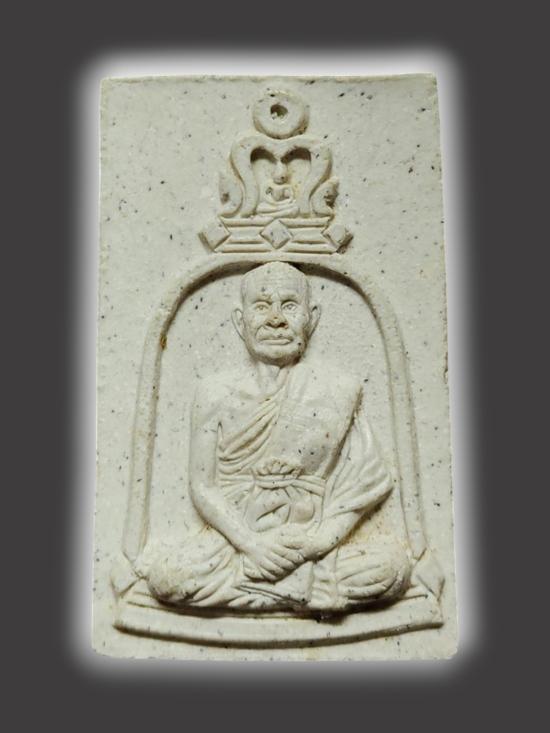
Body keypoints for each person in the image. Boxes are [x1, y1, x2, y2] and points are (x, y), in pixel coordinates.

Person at [140, 262, 410, 611]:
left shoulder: (339, 390)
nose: (276, 319)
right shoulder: (214, 392)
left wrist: (317, 543)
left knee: (392, 569)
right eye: (262, 306)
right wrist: (252, 545)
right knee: (167, 577)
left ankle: (270, 588)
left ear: (312, 318)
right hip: (235, 539)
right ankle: (300, 590)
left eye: (289, 305)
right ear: (240, 321)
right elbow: (203, 487)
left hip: (310, 536)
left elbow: (364, 485)